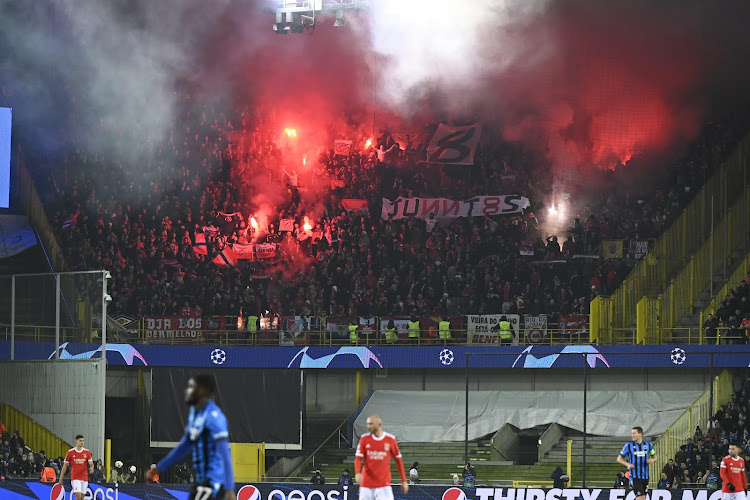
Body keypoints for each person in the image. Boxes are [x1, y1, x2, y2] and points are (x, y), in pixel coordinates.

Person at [149, 374, 235, 500]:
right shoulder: (196, 415)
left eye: (191, 387)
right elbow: (183, 447)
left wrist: (229, 488)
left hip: (213, 481)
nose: (187, 390)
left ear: (203, 391)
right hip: (201, 481)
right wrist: (160, 467)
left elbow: (225, 454)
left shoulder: (214, 418)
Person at [354, 414, 408, 500]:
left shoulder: (390, 439)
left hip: (384, 484)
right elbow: (358, 458)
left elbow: (399, 461)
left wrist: (404, 480)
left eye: (371, 424)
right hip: (366, 484)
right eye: (368, 424)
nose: (368, 426)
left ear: (379, 424)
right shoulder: (364, 439)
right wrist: (357, 473)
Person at [617, 426, 656, 500]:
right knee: (641, 497)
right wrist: (628, 464)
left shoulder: (648, 445)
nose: (632, 435)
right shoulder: (628, 445)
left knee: (643, 498)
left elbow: (654, 457)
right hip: (634, 476)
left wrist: (652, 460)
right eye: (632, 433)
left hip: (645, 476)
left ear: (640, 434)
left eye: (634, 433)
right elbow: (619, 459)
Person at [59, 435, 94, 500]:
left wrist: (92, 467)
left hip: (84, 477)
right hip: (75, 477)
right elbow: (65, 465)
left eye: (83, 441)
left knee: (82, 498)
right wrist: (61, 477)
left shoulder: (87, 452)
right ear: (76, 441)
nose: (82, 442)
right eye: (80, 440)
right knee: (78, 497)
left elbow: (91, 463)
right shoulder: (70, 452)